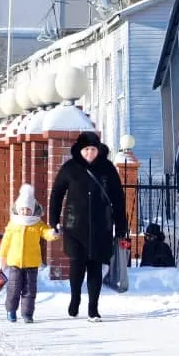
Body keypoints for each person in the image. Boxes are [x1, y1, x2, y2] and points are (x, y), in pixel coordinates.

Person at [48, 132, 129, 321]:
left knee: (95, 267)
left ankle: (93, 309)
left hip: (102, 226)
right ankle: (75, 298)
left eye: (93, 149)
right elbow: (56, 194)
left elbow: (118, 198)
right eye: (86, 150)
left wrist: (121, 226)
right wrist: (54, 220)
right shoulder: (70, 168)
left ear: (98, 150)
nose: (90, 153)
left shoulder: (107, 168)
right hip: (74, 226)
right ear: (80, 150)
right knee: (77, 264)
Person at [0, 183, 59, 323]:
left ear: (33, 210)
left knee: (30, 290)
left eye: (28, 210)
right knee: (13, 288)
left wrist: (54, 233)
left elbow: (46, 233)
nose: (25, 212)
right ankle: (11, 310)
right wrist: (2, 256)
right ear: (18, 210)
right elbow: (6, 241)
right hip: (15, 262)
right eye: (23, 209)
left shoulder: (37, 224)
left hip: (31, 263)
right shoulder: (13, 223)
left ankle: (27, 314)